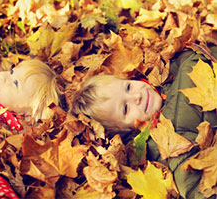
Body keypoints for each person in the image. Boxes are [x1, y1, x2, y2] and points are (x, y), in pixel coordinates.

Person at [70, 46, 217, 199]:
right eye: (126, 108)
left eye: (128, 87)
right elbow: (193, 183)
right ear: (123, 131)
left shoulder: (164, 82)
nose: (136, 97)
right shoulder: (157, 145)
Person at [0, 18, 62, 199]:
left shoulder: (6, 126)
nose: (4, 77)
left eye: (16, 83)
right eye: (12, 71)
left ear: (26, 114)